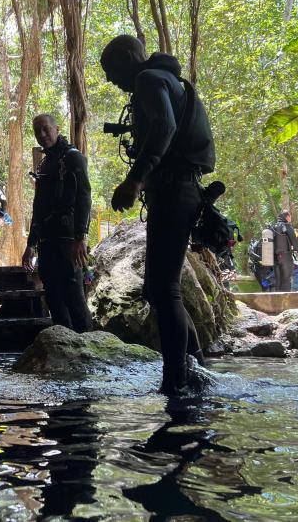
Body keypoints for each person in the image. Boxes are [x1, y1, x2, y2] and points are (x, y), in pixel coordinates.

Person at [100, 34, 215, 396]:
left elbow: (164, 127)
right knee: (159, 288)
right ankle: (193, 366)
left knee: (163, 290)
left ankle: (176, 381)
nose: (109, 80)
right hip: (181, 189)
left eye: (111, 70)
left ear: (130, 58)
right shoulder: (168, 79)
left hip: (173, 188)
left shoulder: (149, 80)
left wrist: (134, 180)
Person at [21, 114, 92, 334]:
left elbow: (84, 197)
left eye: (46, 129)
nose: (42, 135)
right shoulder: (45, 163)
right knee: (53, 295)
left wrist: (81, 236)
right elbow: (38, 206)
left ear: (56, 128)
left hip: (68, 239)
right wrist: (30, 244)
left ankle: (88, 347)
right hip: (47, 240)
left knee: (73, 295)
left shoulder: (72, 157)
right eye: (38, 132)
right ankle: (65, 346)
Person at [271, 211, 298, 292]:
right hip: (285, 256)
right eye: (290, 216)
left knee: (278, 281)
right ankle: (286, 301)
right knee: (286, 280)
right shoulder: (287, 226)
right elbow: (295, 242)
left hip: (274, 258)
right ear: (287, 217)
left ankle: (277, 302)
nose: (290, 218)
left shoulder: (273, 227)